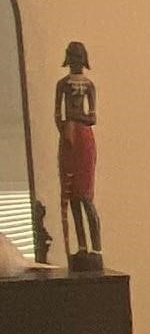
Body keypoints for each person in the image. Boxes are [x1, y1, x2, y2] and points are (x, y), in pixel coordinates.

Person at [55, 40, 101, 267]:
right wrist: (66, 129)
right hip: (69, 140)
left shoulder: (89, 86)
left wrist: (74, 120)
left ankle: (96, 247)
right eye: (72, 59)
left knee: (85, 196)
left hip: (83, 139)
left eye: (77, 59)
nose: (75, 63)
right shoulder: (62, 85)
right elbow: (58, 115)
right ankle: (82, 246)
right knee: (72, 195)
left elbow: (92, 118)